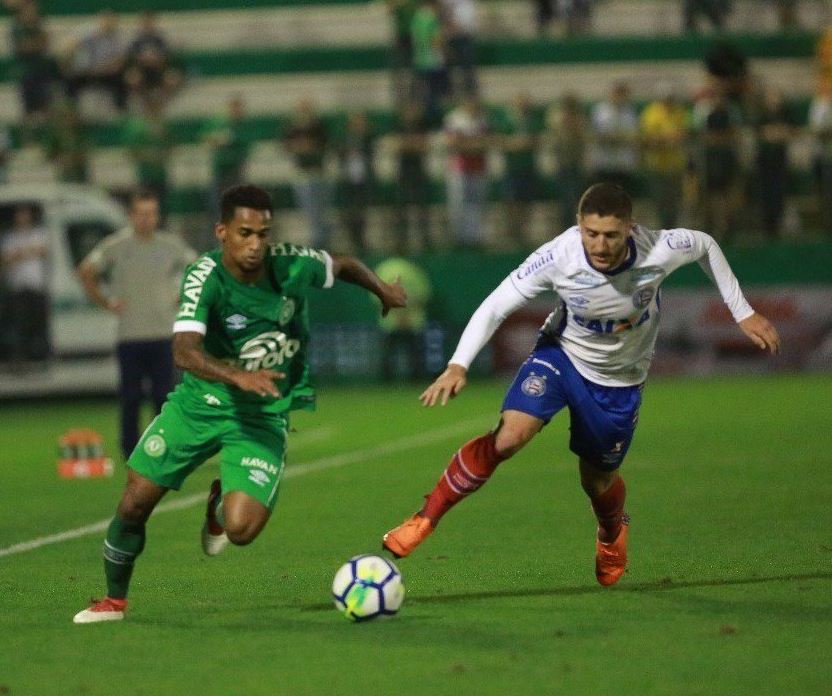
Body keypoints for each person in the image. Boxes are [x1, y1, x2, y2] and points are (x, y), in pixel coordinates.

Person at [382, 182, 780, 587]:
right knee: (508, 437)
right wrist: (457, 364)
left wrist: (742, 312)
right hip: (561, 356)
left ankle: (611, 531)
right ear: (579, 226)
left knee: (596, 481)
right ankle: (426, 517)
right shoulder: (559, 256)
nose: (600, 245)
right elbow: (496, 303)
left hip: (619, 382)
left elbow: (706, 244)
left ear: (629, 228)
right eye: (591, 233)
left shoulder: (659, 248)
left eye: (610, 234)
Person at [73, 185, 407, 623]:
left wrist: (381, 288)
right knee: (135, 501)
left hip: (262, 412)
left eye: (262, 234)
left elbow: (342, 265)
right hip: (200, 404)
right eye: (245, 233)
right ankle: (113, 601)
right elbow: (184, 350)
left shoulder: (291, 264)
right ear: (222, 231)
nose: (255, 245)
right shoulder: (203, 276)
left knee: (241, 530)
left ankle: (218, 506)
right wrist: (238, 375)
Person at [78, 190, 195, 461]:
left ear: (157, 216)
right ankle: (130, 451)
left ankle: (165, 447)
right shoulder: (116, 246)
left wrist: (184, 296)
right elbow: (86, 271)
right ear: (131, 216)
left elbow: (199, 268)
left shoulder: (169, 245)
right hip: (130, 336)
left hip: (163, 334)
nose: (146, 220)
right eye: (141, 214)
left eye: (151, 214)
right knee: (131, 398)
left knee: (164, 398)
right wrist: (106, 302)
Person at [0, 204, 50, 363]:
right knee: (20, 324)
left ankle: (39, 357)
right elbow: (6, 259)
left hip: (36, 286)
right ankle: (23, 357)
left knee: (38, 324)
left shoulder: (40, 233)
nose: (22, 217)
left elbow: (43, 251)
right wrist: (29, 251)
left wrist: (19, 253)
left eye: (25, 214)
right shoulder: (9, 237)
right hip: (18, 287)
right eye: (20, 214)